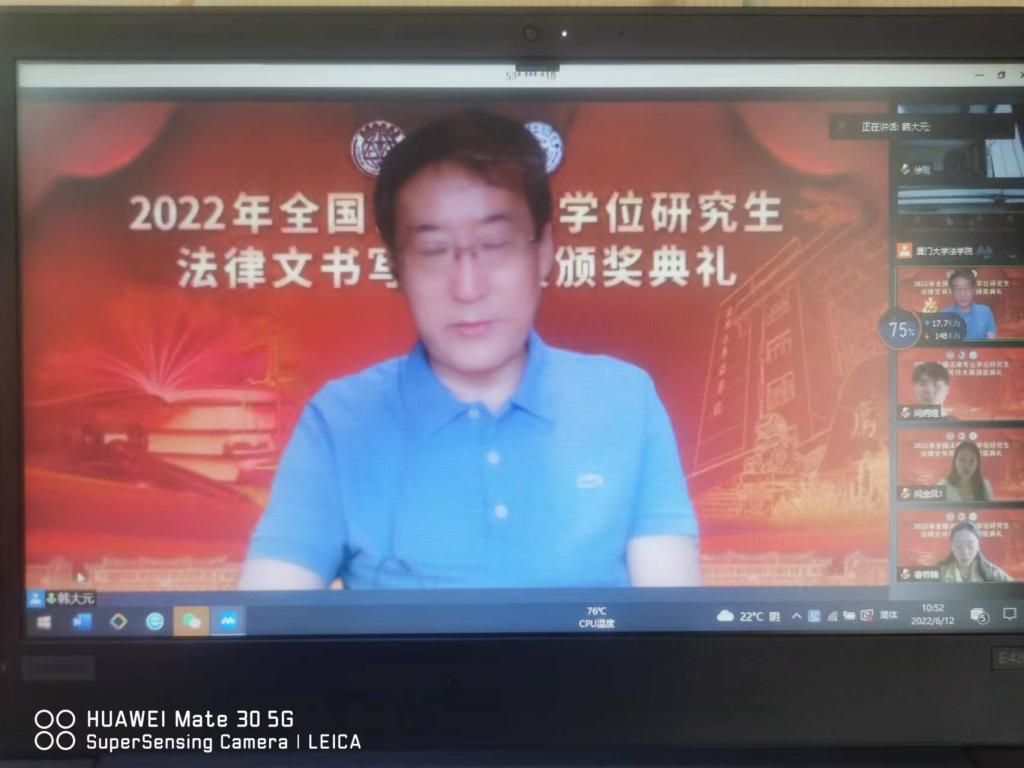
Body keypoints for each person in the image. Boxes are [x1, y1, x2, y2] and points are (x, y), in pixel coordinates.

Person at [239, 111, 700, 590]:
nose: (468, 287)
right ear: (396, 268)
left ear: (544, 250)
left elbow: (673, 620)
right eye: (434, 251)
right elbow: (262, 617)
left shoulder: (623, 400)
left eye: (495, 244)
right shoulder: (341, 420)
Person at [935, 521, 1012, 582]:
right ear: (951, 546)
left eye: (970, 546)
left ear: (978, 546)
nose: (964, 552)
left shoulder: (993, 573)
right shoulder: (939, 572)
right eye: (959, 546)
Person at [940, 269, 996, 340]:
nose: (962, 294)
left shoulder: (985, 311)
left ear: (974, 290)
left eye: (966, 288)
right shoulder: (944, 314)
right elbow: (942, 343)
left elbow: (992, 341)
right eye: (957, 289)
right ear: (952, 292)